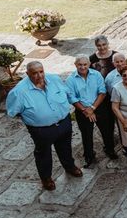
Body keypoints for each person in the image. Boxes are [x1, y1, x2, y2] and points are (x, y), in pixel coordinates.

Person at [6, 61, 83, 191]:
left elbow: (67, 93)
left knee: (65, 148)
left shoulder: (54, 79)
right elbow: (13, 112)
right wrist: (35, 117)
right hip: (41, 130)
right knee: (43, 154)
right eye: (34, 73)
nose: (39, 76)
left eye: (41, 71)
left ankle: (70, 167)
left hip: (64, 123)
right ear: (27, 74)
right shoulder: (19, 92)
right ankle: (46, 178)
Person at [65, 55, 117, 167]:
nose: (83, 67)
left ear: (89, 64)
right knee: (86, 134)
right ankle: (89, 156)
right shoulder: (70, 80)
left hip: (99, 107)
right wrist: (85, 110)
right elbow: (72, 98)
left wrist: (92, 108)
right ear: (75, 65)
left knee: (106, 131)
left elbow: (102, 92)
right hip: (82, 110)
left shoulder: (96, 75)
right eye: (80, 64)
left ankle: (110, 150)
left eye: (85, 64)